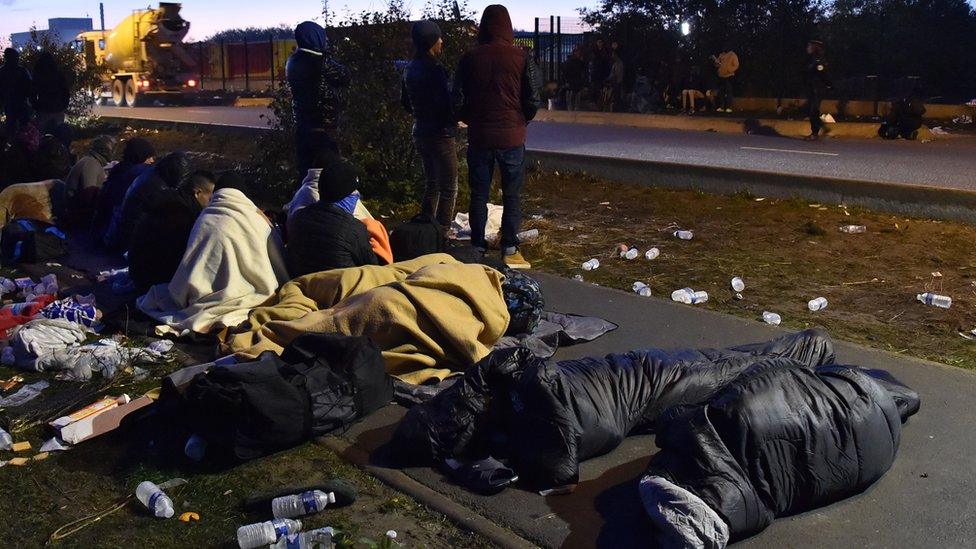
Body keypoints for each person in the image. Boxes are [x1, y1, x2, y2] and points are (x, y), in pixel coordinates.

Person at [137, 171, 289, 334]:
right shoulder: (257, 219)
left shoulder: (204, 219)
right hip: (259, 296)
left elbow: (189, 269)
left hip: (200, 297)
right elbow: (278, 260)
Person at [452, 4, 542, 269]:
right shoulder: (522, 57)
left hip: (480, 136)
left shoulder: (469, 58)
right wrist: (521, 120)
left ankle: (478, 245)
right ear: (508, 26)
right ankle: (509, 246)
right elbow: (533, 98)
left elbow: (457, 98)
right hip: (512, 137)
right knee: (512, 194)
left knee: (479, 193)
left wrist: (471, 119)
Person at [402, 20, 458, 234]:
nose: (442, 41)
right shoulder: (435, 69)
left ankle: (426, 229)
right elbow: (444, 103)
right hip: (440, 133)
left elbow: (406, 102)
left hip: (420, 131)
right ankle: (442, 232)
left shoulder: (409, 68)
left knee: (431, 183)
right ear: (431, 42)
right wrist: (454, 120)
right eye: (439, 38)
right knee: (449, 186)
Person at [286, 157, 380, 277]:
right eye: (354, 194)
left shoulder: (298, 218)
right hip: (341, 290)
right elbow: (372, 268)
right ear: (346, 196)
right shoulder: (354, 228)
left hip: (302, 286)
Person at [128, 170, 215, 293]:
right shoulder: (180, 215)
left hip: (138, 271)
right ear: (198, 193)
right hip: (151, 281)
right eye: (210, 198)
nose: (211, 202)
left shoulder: (168, 200)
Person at [286, 21, 351, 179]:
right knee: (329, 175)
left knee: (306, 174)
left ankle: (305, 202)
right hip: (323, 127)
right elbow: (344, 76)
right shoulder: (321, 62)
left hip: (302, 126)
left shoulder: (292, 62)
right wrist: (326, 54)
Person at [105, 151, 191, 252]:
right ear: (175, 173)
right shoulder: (158, 188)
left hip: (123, 235)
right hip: (129, 245)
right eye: (182, 177)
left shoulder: (153, 174)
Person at [91, 137, 155, 243]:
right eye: (149, 157)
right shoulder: (136, 174)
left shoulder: (119, 169)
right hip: (113, 235)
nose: (152, 161)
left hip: (100, 229)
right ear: (141, 156)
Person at [31, 52, 70, 133]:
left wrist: (36, 106)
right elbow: (65, 91)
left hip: (43, 109)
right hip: (57, 108)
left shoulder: (38, 75)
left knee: (43, 134)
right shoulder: (58, 74)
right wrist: (63, 105)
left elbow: (32, 93)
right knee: (58, 133)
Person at [803, 39, 832, 140]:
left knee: (812, 110)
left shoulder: (818, 60)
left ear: (814, 48)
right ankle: (822, 129)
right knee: (812, 110)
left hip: (817, 88)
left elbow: (823, 74)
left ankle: (815, 133)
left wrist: (828, 85)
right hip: (812, 87)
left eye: (809, 46)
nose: (807, 48)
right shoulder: (812, 59)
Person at [0, 48, 32, 137]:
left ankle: (11, 146)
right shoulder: (22, 70)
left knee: (11, 126)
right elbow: (30, 86)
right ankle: (24, 146)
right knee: (24, 128)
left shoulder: (2, 71)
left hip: (8, 103)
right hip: (22, 102)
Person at [711, 47, 739, 113]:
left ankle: (728, 107)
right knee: (721, 92)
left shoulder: (732, 54)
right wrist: (716, 62)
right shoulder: (721, 55)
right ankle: (722, 107)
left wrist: (729, 70)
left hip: (729, 76)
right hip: (721, 76)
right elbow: (717, 65)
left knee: (729, 91)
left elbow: (736, 65)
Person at [561, 47, 587, 111]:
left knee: (572, 97)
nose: (579, 54)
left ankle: (572, 109)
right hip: (574, 82)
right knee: (573, 97)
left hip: (574, 82)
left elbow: (564, 72)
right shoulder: (577, 62)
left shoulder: (574, 62)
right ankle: (574, 109)